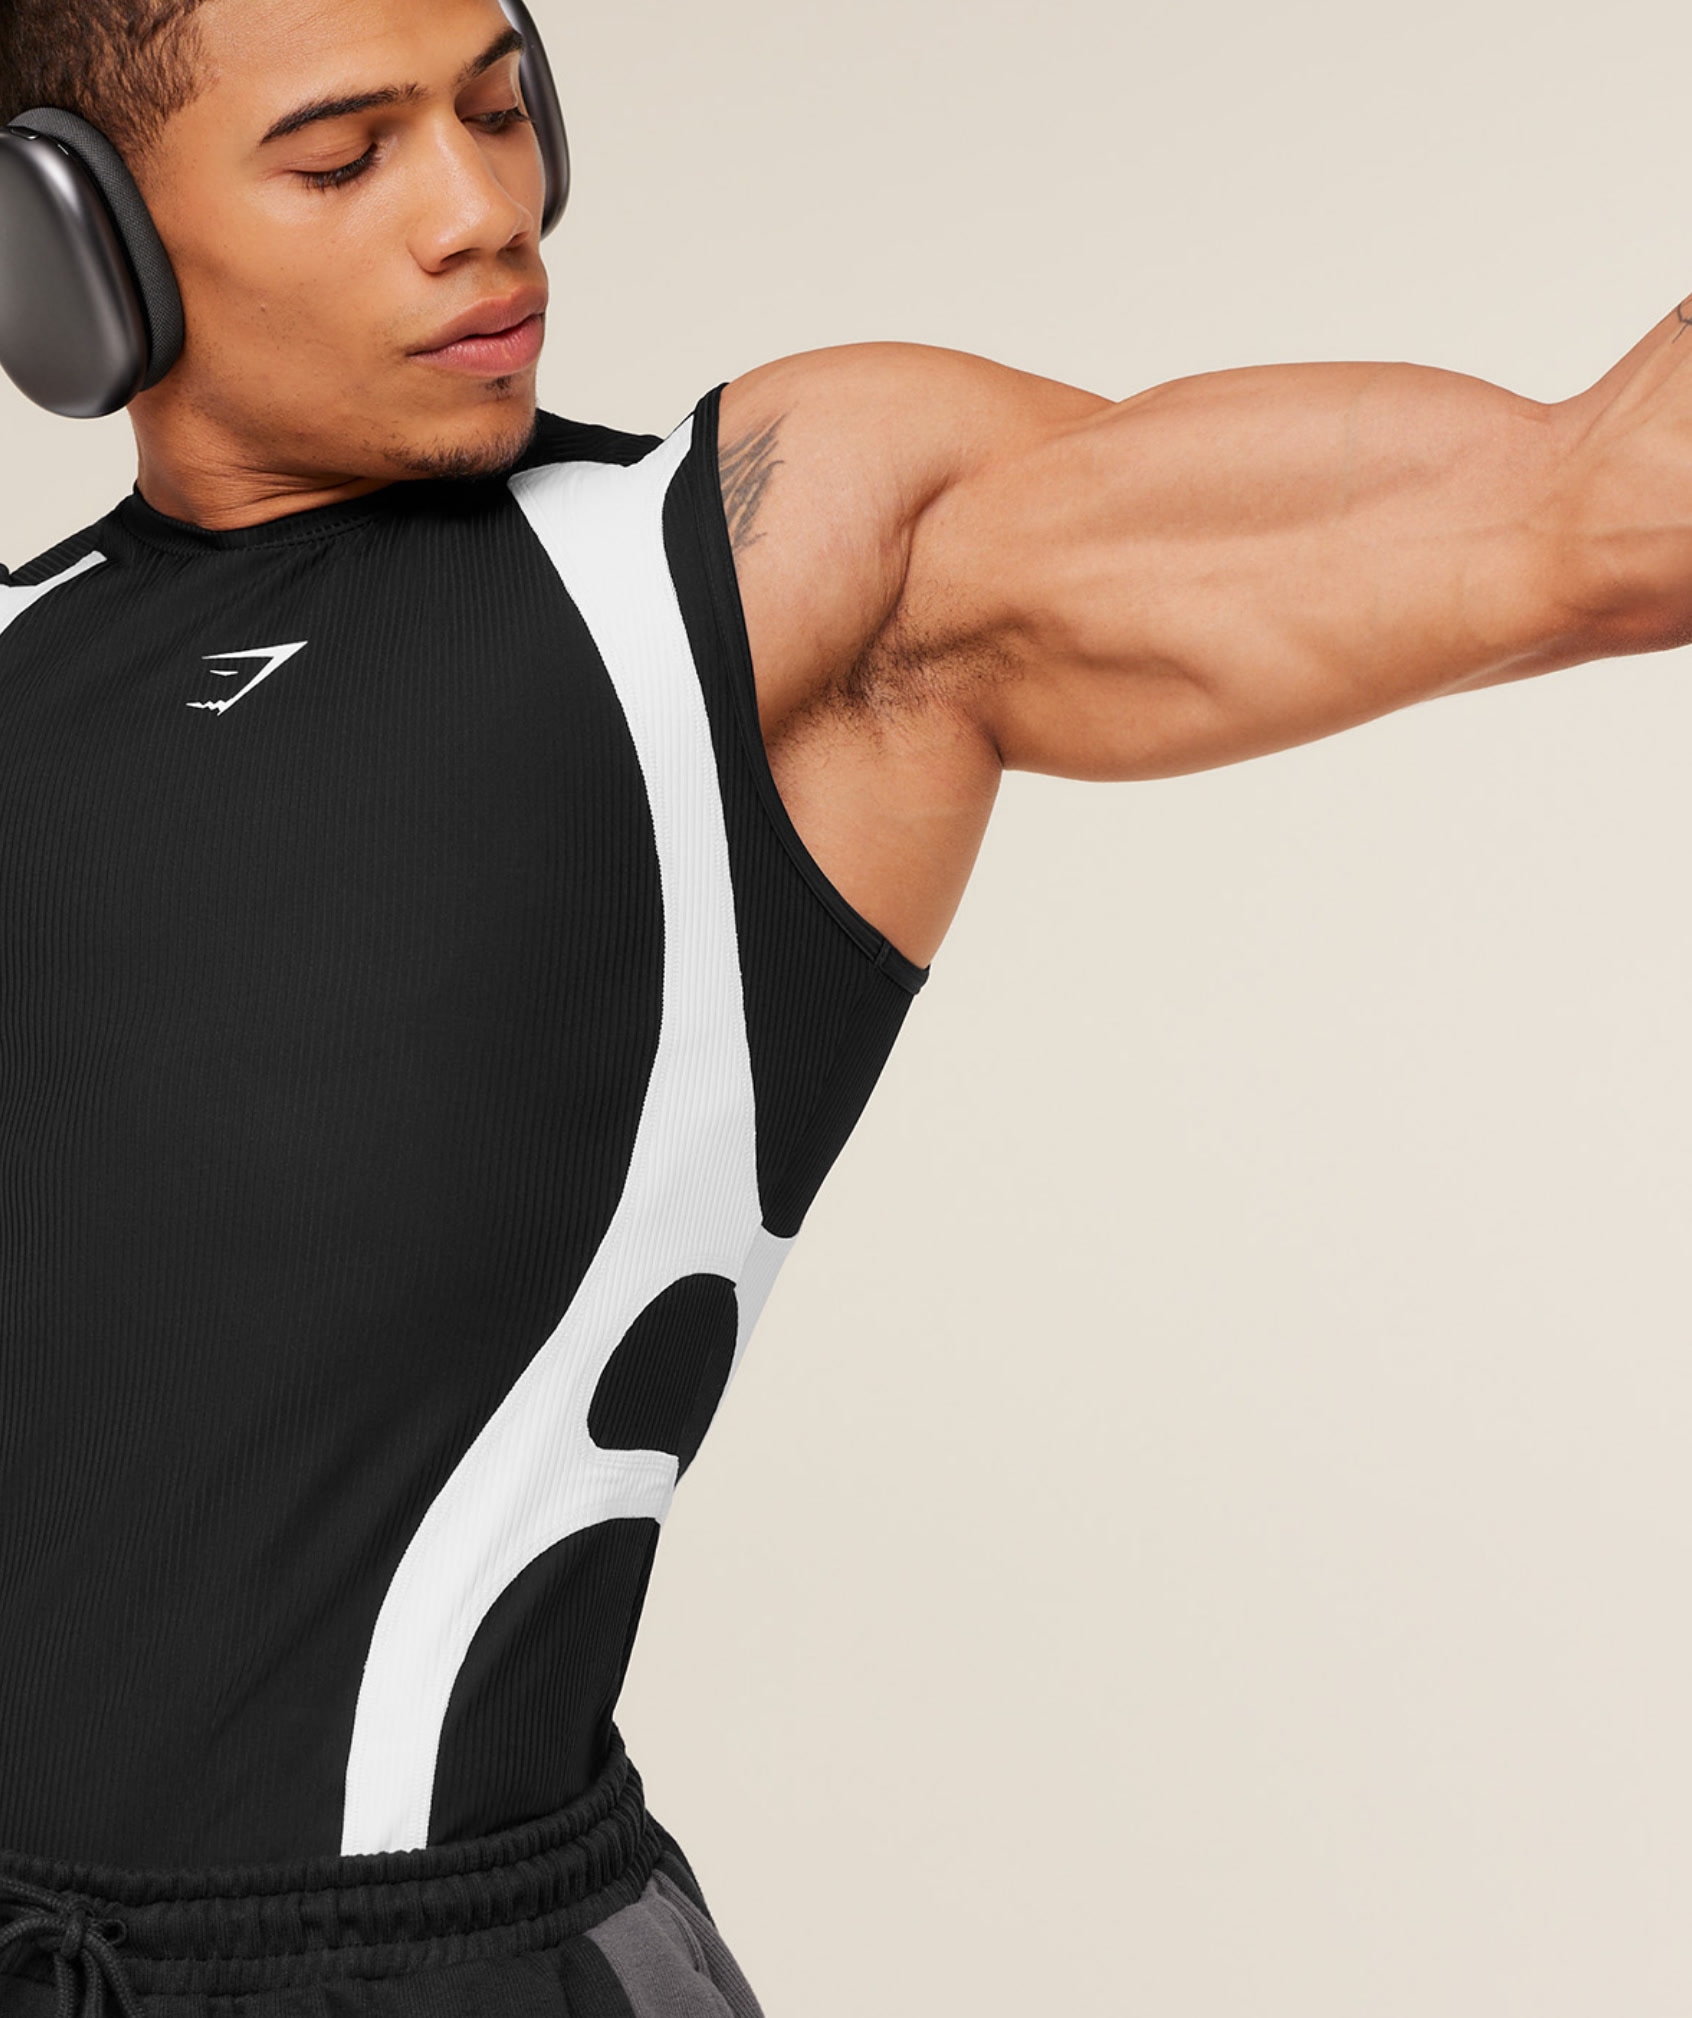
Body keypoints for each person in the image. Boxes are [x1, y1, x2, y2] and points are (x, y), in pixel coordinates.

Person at [0, 0, 1688, 2011]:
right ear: (73, 238)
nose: (481, 210)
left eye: (501, 109)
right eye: (347, 156)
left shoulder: (744, 579)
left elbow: (1595, 513)